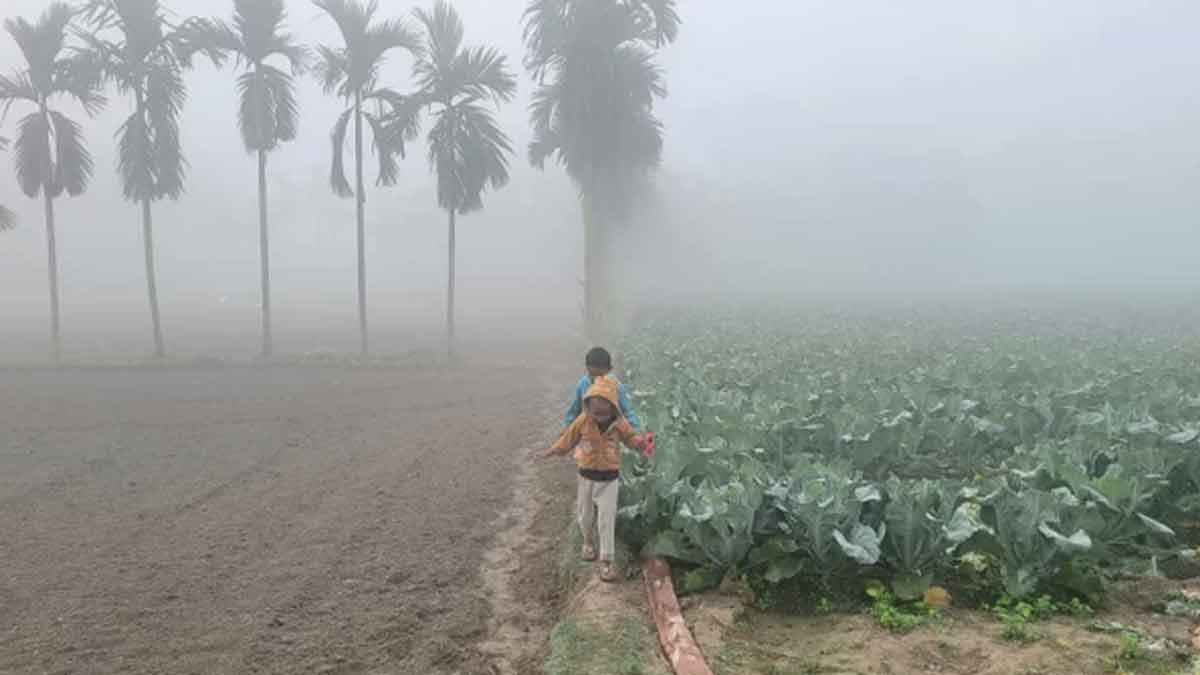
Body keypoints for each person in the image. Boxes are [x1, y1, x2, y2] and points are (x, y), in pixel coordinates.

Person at [541, 376, 652, 582]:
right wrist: (554, 450)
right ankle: (588, 542)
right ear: (588, 407)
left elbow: (630, 439)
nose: (599, 416)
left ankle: (606, 562)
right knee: (585, 515)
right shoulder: (583, 421)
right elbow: (568, 439)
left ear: (612, 408)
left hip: (609, 479)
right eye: (595, 412)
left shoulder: (619, 424)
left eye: (603, 412)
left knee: (606, 519)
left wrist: (641, 444)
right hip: (586, 477)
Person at [564, 347, 641, 431]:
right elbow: (574, 410)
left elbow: (627, 412)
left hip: (610, 430)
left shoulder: (616, 386)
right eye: (592, 375)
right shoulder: (582, 384)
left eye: (600, 376)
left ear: (609, 370)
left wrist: (636, 432)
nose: (596, 379)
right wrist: (567, 429)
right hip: (590, 428)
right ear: (587, 368)